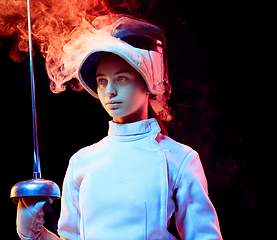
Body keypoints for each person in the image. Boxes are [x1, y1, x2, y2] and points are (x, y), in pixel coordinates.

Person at [15, 16, 223, 240]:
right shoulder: (81, 161)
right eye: (102, 80)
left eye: (122, 78)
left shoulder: (179, 159)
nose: (110, 91)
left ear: (149, 82)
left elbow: (204, 237)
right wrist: (36, 235)